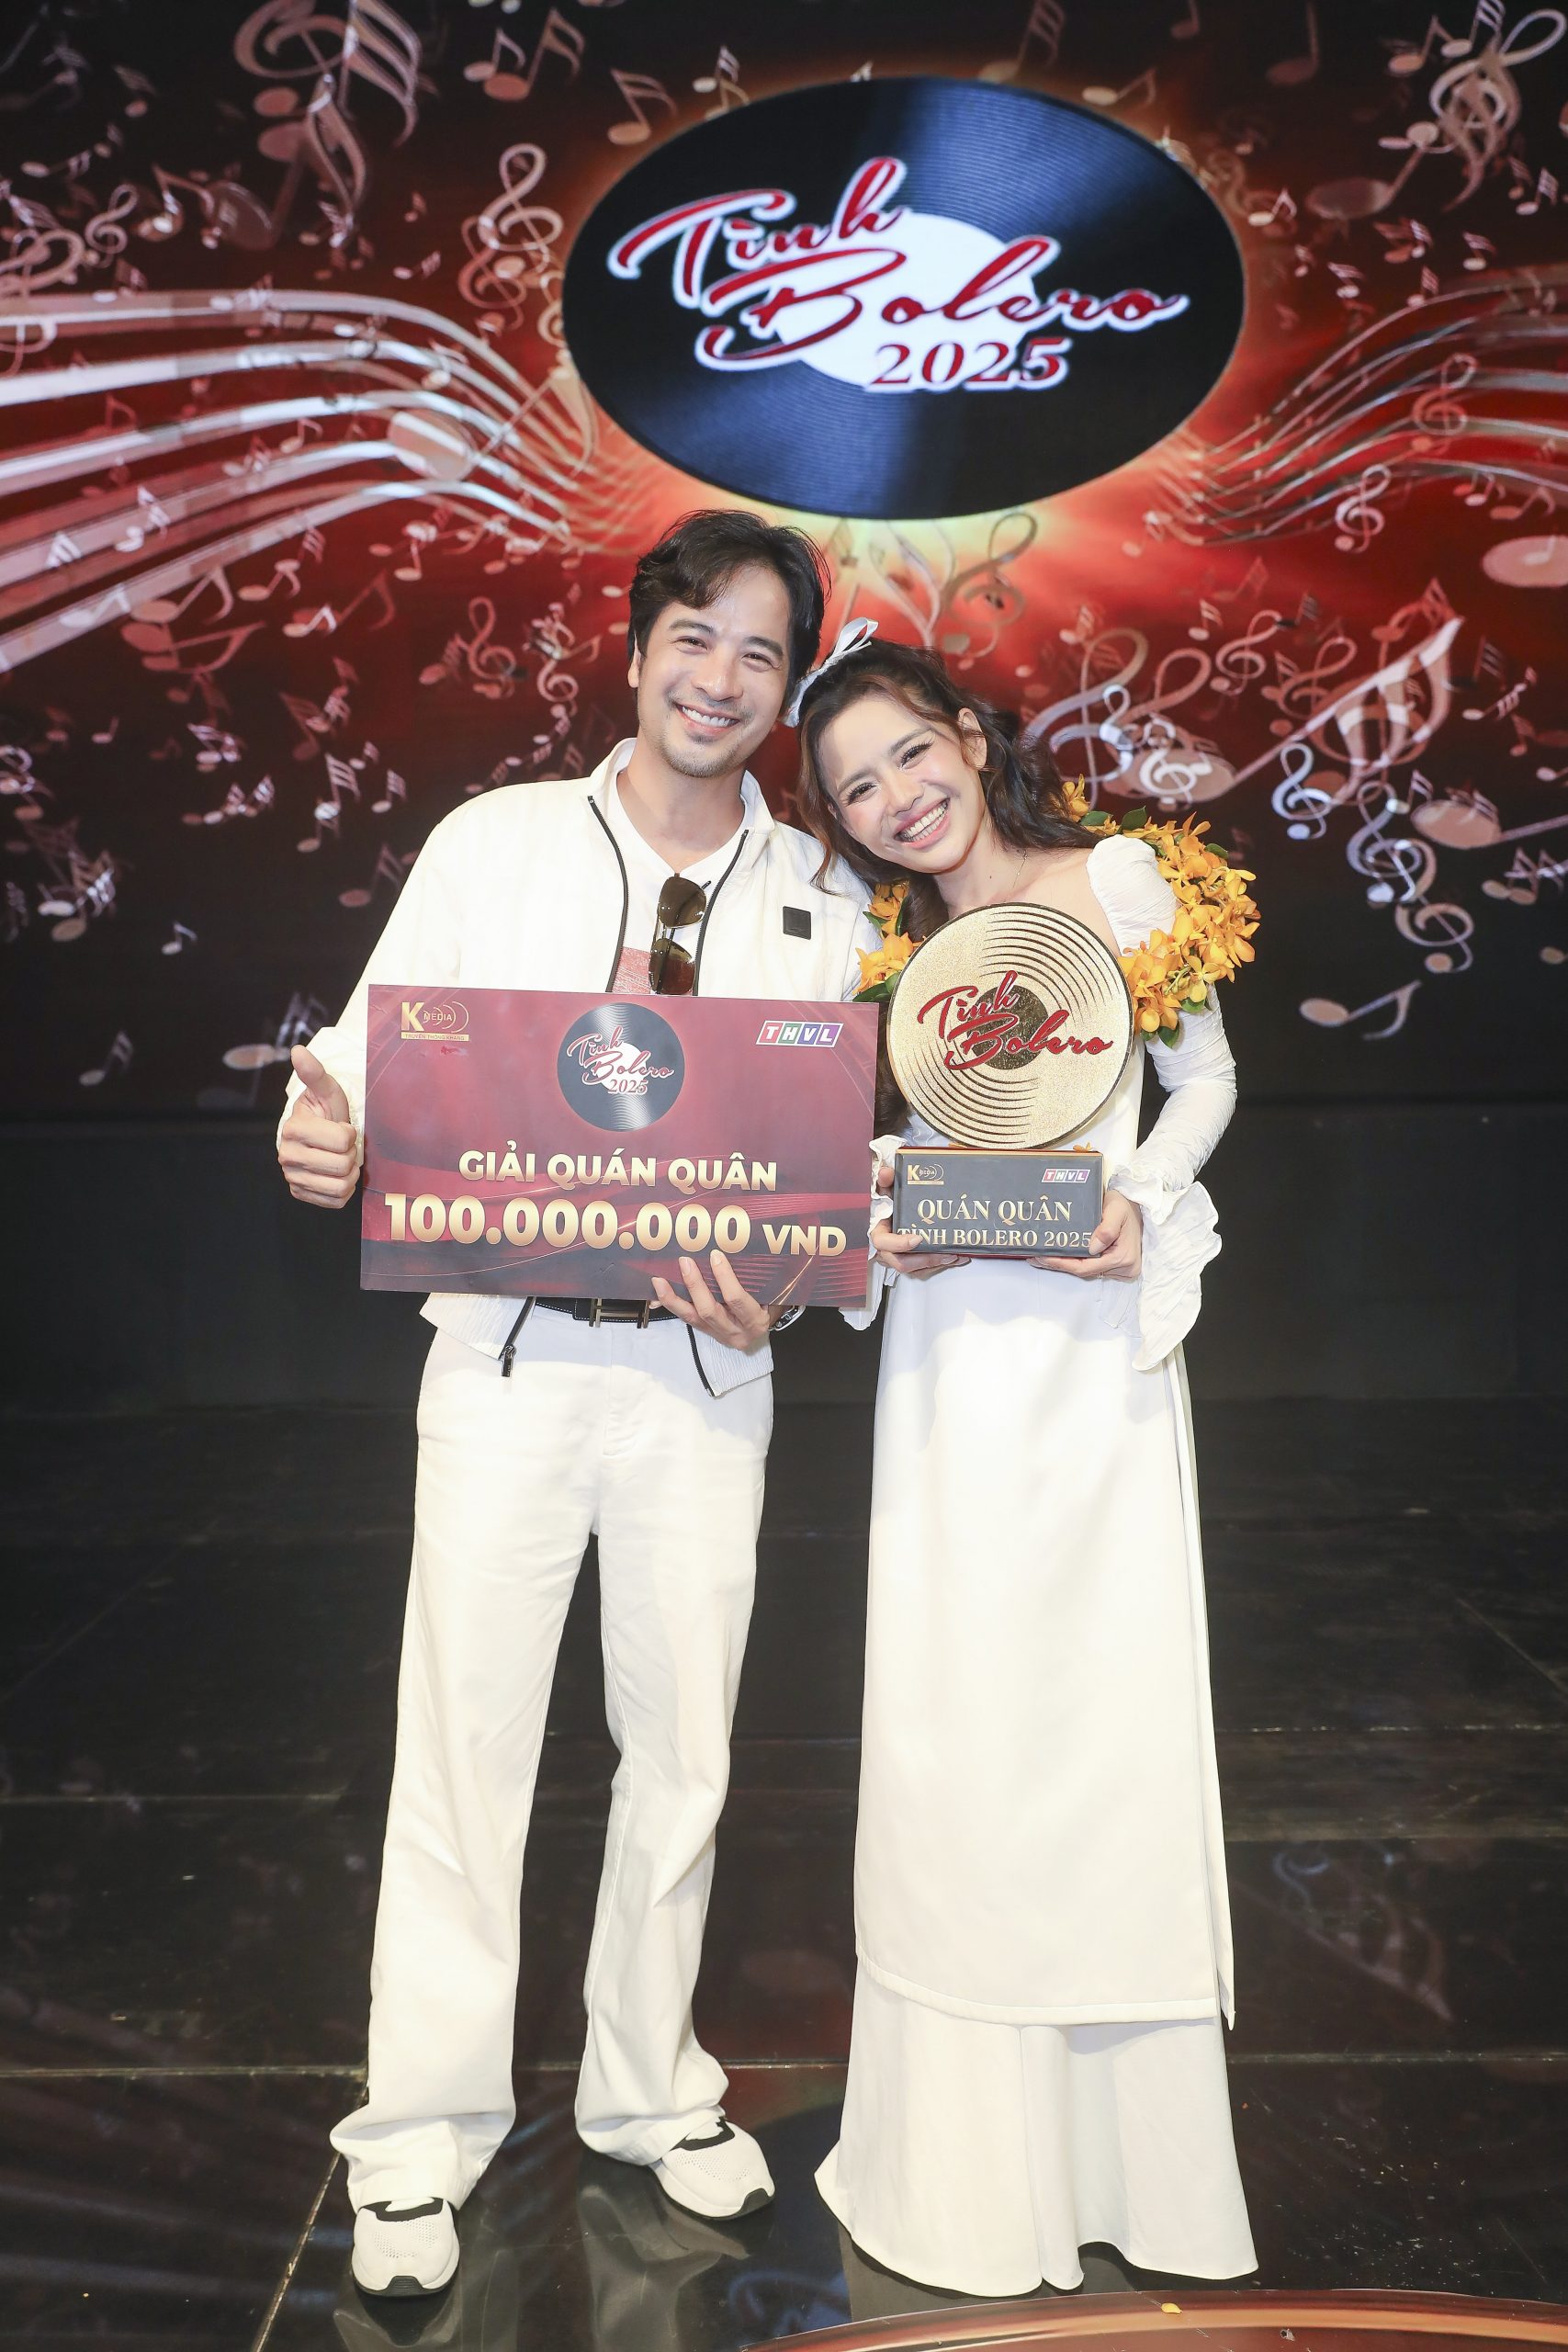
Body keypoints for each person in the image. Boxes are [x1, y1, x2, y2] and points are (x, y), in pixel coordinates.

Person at [276, 511, 875, 2299]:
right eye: (695, 636)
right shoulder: (499, 840)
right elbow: (363, 1064)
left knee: (683, 1751)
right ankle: (420, 2130)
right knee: (463, 1747)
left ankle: (646, 2088)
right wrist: (320, 1128)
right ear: (633, 651)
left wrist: (794, 1278)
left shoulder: (824, 896)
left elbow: (837, 1176)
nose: (720, 677)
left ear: (785, 692)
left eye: (759, 653)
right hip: (508, 1361)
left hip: (706, 1375)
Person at [793, 639, 1257, 2297]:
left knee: (1101, 1722)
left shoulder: (1123, 882)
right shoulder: (878, 955)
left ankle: (1133, 2168)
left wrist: (1138, 1198)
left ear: (973, 740)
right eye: (857, 789)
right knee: (959, 1729)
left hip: (1094, 1357)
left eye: (912, 755)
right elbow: (864, 1160)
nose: (896, 799)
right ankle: (966, 2173)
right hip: (951, 1365)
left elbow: (1206, 1079)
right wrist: (883, 1221)